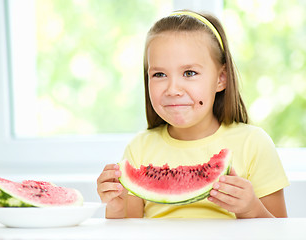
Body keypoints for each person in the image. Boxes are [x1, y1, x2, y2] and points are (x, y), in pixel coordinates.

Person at [97, 10, 289, 219]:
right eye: (159, 74)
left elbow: (280, 230)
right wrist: (115, 208)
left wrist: (251, 209)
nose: (173, 89)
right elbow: (128, 231)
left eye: (189, 73)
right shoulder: (139, 149)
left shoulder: (253, 144)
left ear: (221, 78)